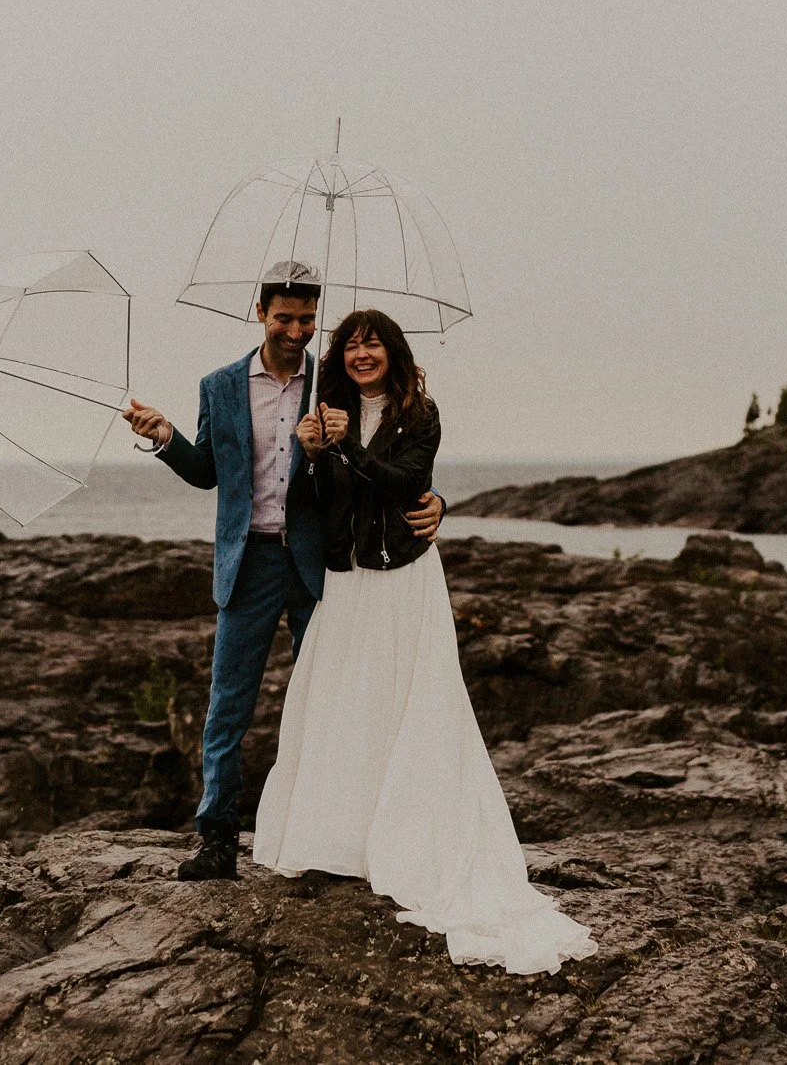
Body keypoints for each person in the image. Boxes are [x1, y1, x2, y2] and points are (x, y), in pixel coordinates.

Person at [252, 308, 598, 976]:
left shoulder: (420, 412)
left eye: (373, 343)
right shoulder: (326, 409)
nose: (361, 353)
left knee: (412, 699)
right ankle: (339, 837)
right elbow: (325, 500)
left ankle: (409, 840)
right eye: (351, 345)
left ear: (393, 351)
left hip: (403, 577)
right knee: (342, 703)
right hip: (348, 578)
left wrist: (348, 447)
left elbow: (407, 481)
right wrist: (317, 453)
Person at [121, 263, 446, 881]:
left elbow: (383, 454)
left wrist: (436, 501)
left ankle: (329, 835)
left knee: (329, 702)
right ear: (261, 312)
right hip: (247, 563)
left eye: (306, 319)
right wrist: (164, 438)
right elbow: (207, 473)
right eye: (285, 318)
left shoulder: (334, 382)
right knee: (228, 705)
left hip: (318, 561)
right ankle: (217, 837)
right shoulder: (218, 386)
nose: (297, 330)